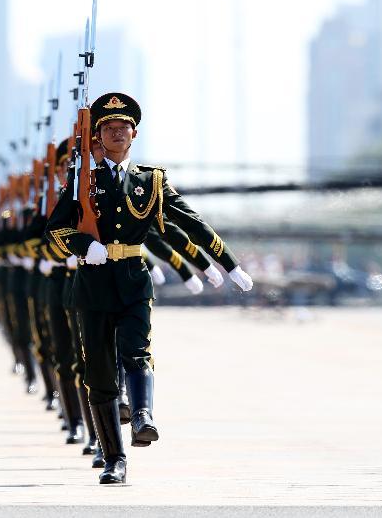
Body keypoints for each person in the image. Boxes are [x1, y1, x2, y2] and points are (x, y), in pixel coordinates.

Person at [46, 92, 254, 484]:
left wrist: (227, 263)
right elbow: (57, 228)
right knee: (101, 374)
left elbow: (187, 222)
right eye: (108, 127)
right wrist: (82, 246)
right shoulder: (80, 180)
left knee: (137, 352)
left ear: (134, 133)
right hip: (92, 285)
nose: (117, 132)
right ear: (97, 137)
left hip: (133, 281)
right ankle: (115, 460)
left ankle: (143, 415)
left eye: (123, 126)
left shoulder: (151, 181)